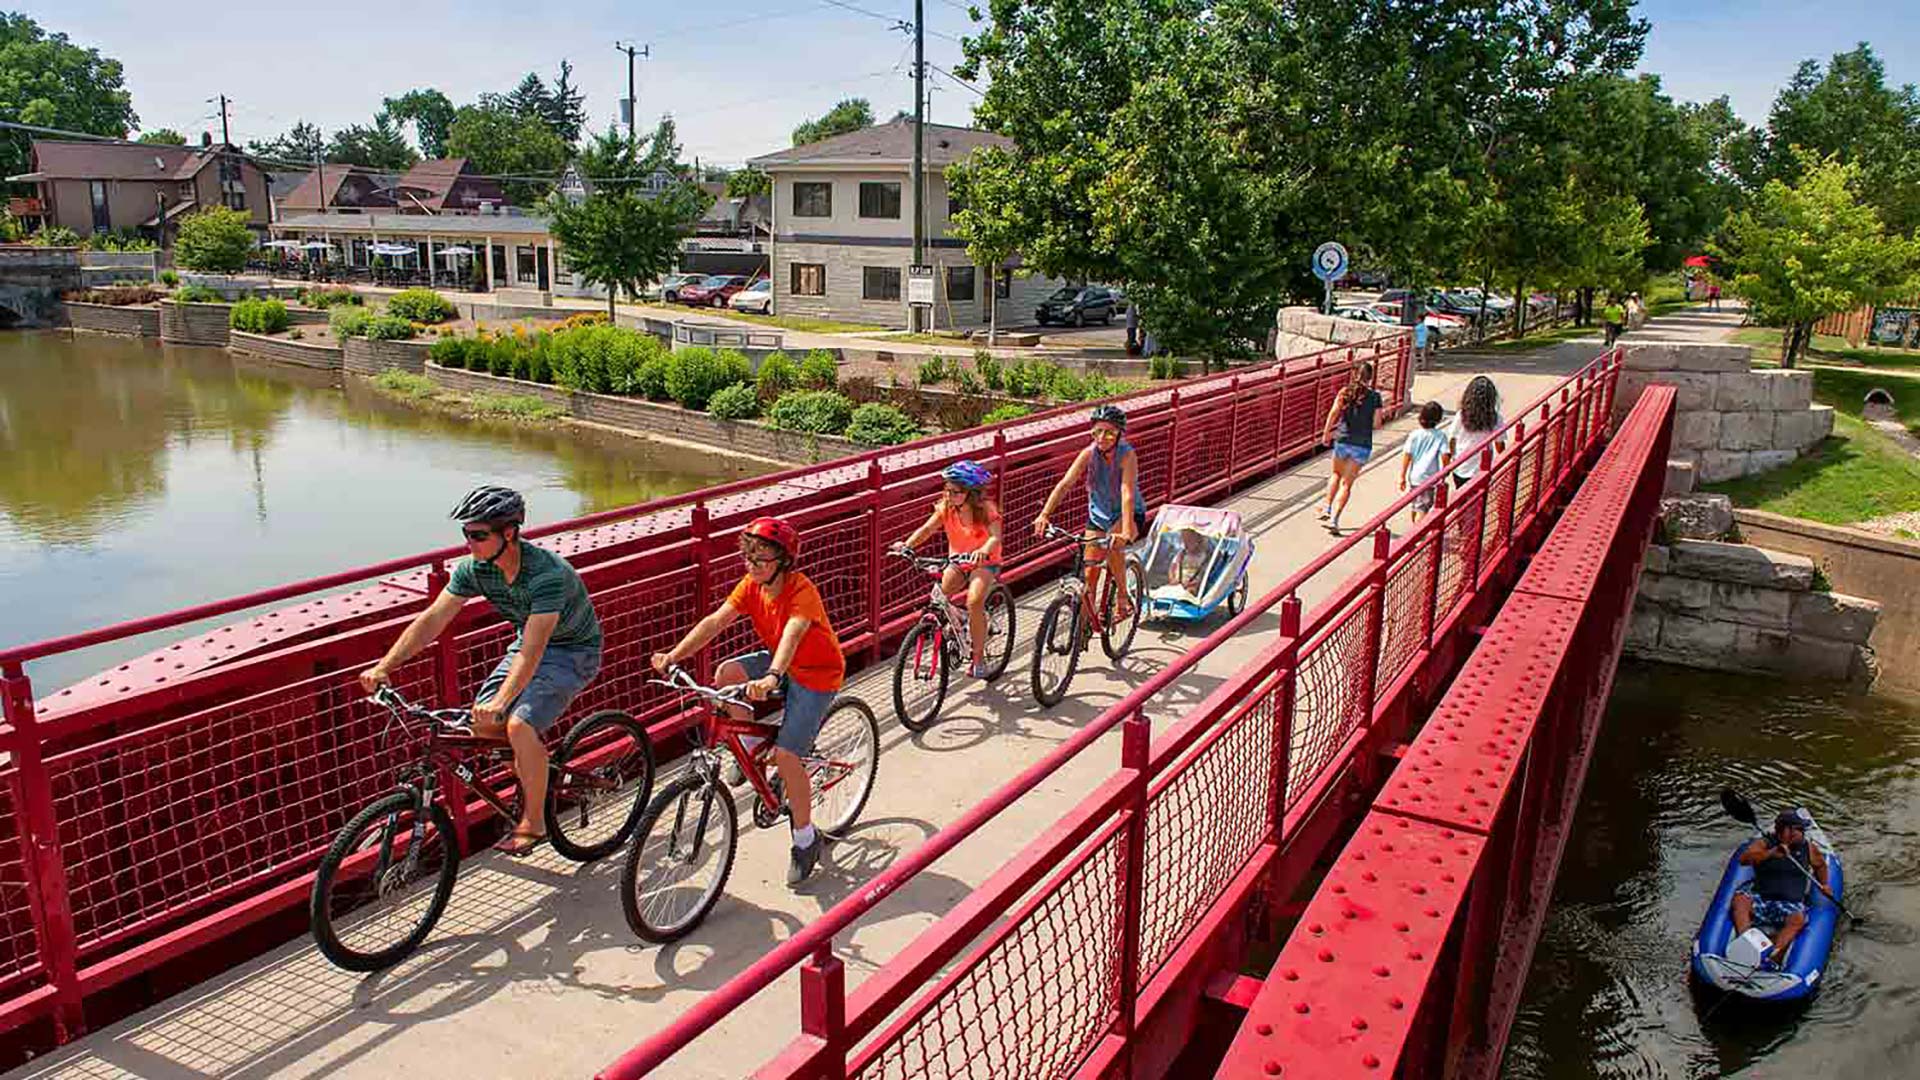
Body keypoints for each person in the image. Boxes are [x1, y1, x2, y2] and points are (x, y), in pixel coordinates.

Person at [359, 486, 604, 856]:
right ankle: (535, 768)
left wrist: (503, 701)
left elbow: (536, 650)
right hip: (529, 645)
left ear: (509, 533)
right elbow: (434, 619)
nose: (469, 543)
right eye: (466, 534)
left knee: (518, 724)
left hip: (572, 651)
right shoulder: (477, 569)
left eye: (478, 535)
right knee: (484, 726)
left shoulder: (546, 575)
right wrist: (385, 666)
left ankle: (534, 820)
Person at [651, 517, 845, 886]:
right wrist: (674, 656)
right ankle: (753, 753)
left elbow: (793, 632)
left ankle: (806, 840)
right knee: (726, 675)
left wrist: (772, 676)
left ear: (784, 561)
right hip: (781, 663)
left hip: (816, 673)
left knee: (788, 758)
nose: (751, 565)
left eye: (761, 559)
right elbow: (714, 622)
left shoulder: (801, 590)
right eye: (748, 557)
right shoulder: (751, 585)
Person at [1034, 403, 1147, 628]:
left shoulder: (1127, 455)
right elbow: (1065, 484)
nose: (1102, 437)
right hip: (1099, 515)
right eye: (1097, 431)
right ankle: (1082, 629)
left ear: (1119, 435)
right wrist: (1044, 514)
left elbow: (1126, 493)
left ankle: (1123, 597)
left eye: (1110, 432)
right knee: (1090, 572)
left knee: (1114, 545)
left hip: (1128, 514)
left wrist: (1125, 530)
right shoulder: (1088, 453)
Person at [894, 460, 1003, 678]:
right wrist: (906, 545)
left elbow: (995, 537)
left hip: (984, 563)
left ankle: (978, 659)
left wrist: (983, 550)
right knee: (939, 598)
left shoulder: (986, 510)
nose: (949, 495)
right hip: (958, 561)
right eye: (947, 490)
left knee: (974, 601)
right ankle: (964, 621)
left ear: (970, 493)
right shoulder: (946, 507)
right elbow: (927, 529)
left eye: (955, 492)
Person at [1731, 811, 1829, 967]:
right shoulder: (1764, 844)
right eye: (1797, 830)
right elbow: (1745, 859)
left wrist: (1824, 884)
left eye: (1801, 830)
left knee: (1797, 919)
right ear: (1783, 831)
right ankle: (1745, 939)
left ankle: (1775, 954)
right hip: (1761, 896)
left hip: (1788, 902)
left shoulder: (1808, 847)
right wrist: (1771, 854)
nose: (1800, 834)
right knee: (1741, 900)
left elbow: (1821, 866)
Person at [1318, 361, 1383, 533]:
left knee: (1335, 475)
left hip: (1342, 439)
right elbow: (1377, 424)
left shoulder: (1345, 392)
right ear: (1371, 378)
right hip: (1362, 444)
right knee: (1346, 484)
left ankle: (1326, 507)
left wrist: (1326, 433)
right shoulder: (1375, 397)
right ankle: (1334, 520)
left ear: (1355, 374)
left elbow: (1333, 413)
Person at [1444, 375, 1506, 490]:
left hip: (1461, 466)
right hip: (1482, 467)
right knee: (1479, 499)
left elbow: (1452, 438)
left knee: (1461, 499)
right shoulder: (1496, 418)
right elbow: (1499, 444)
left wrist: (1450, 460)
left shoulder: (1462, 415)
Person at [1399, 401, 1449, 523]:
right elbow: (1445, 455)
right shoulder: (1440, 436)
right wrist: (1445, 470)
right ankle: (1416, 533)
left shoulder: (1414, 434)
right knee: (1423, 508)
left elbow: (1407, 455)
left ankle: (1414, 529)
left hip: (1414, 476)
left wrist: (1403, 475)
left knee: (1416, 505)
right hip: (1429, 478)